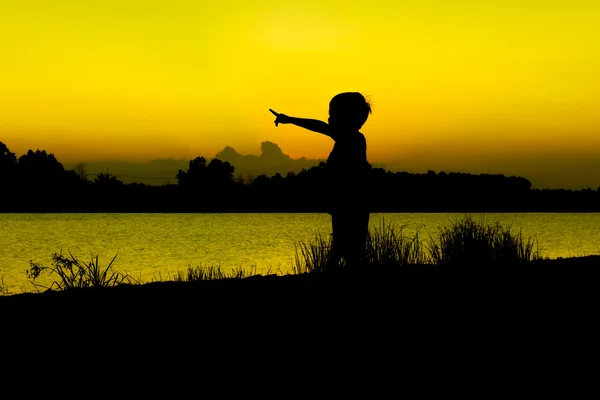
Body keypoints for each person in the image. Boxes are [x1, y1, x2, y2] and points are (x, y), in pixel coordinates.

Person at [269, 92, 372, 268]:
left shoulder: (351, 138)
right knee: (346, 242)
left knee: (348, 242)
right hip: (349, 200)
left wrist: (291, 120)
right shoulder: (351, 139)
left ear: (349, 117)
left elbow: (320, 127)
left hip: (351, 201)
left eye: (333, 114)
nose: (329, 118)